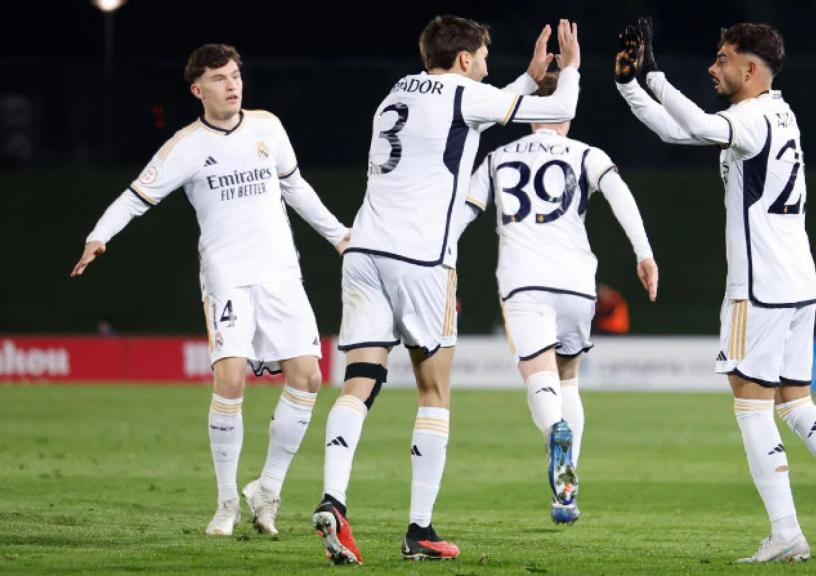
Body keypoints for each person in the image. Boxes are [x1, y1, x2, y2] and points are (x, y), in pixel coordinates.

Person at [312, 16, 582, 564]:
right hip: (423, 259)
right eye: (483, 55)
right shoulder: (466, 92)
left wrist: (527, 79)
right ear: (464, 60)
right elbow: (552, 113)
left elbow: (471, 112)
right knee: (433, 391)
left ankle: (333, 499)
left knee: (359, 380)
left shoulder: (395, 93)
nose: (487, 66)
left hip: (364, 249)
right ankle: (420, 530)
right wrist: (569, 70)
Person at [614, 19, 816, 563]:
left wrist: (655, 74)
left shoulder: (753, 116)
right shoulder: (778, 112)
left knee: (752, 408)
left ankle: (786, 534)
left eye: (722, 59)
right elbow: (679, 131)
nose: (714, 68)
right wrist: (629, 85)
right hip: (799, 280)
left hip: (758, 287)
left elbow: (697, 123)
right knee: (797, 402)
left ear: (751, 68)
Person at [70, 44, 349, 538]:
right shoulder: (187, 145)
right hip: (227, 278)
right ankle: (226, 503)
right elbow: (138, 195)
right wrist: (99, 235)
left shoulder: (268, 127)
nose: (232, 84)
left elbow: (296, 186)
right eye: (220, 78)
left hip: (281, 274)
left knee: (307, 379)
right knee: (232, 380)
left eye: (236, 75)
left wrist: (340, 236)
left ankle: (267, 489)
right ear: (198, 90)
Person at [458, 70, 658, 525]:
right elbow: (619, 193)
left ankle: (555, 432)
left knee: (537, 376)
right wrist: (644, 254)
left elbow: (464, 213)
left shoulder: (498, 156)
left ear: (532, 111)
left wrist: (441, 264)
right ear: (566, 107)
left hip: (523, 280)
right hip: (576, 282)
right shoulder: (587, 153)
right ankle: (567, 493)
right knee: (568, 377)